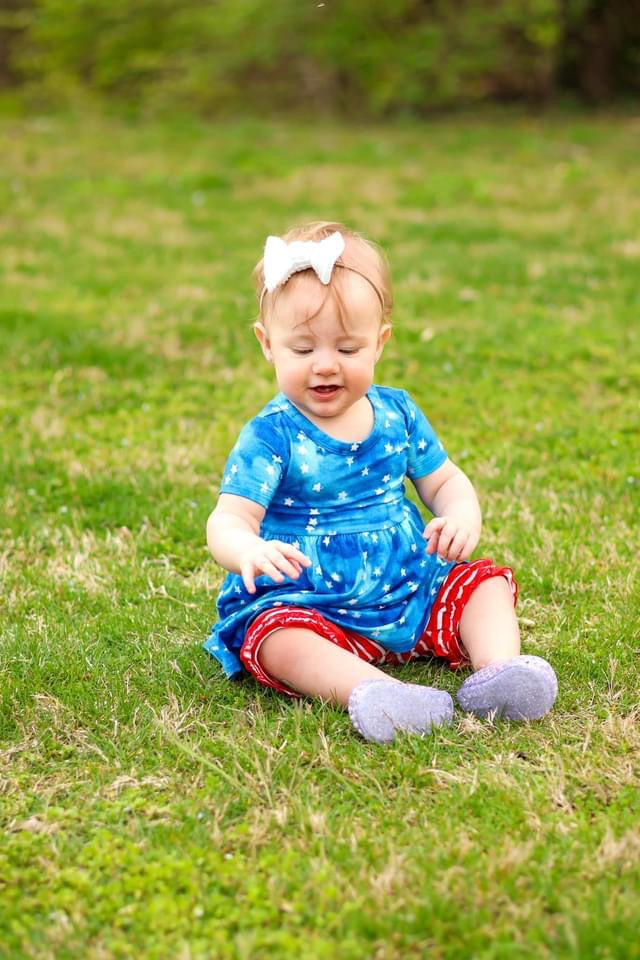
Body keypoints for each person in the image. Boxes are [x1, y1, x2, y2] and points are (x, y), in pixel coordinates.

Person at [205, 222, 557, 744]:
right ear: (268, 344)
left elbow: (445, 481)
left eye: (347, 349)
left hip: (407, 582)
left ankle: (499, 674)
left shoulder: (398, 414)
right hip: (308, 597)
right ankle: (375, 691)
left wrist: (462, 514)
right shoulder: (271, 434)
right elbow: (230, 519)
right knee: (279, 641)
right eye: (302, 350)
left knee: (481, 587)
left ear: (379, 343)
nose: (326, 365)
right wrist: (247, 552)